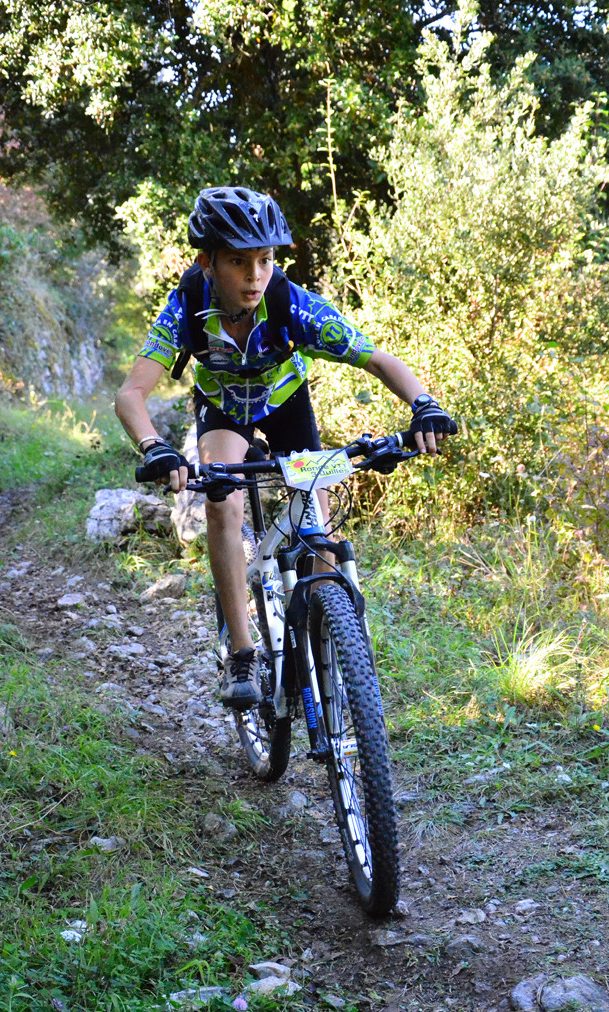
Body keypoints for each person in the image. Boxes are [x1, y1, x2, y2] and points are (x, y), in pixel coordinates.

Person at [115, 185, 455, 708]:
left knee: (317, 527)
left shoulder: (289, 302)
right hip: (223, 409)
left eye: (266, 260)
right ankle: (243, 655)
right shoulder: (186, 305)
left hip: (287, 404)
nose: (255, 276)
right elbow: (131, 394)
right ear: (207, 262)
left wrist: (424, 405)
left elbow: (378, 359)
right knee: (222, 504)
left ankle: (324, 642)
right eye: (238, 261)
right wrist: (154, 446)